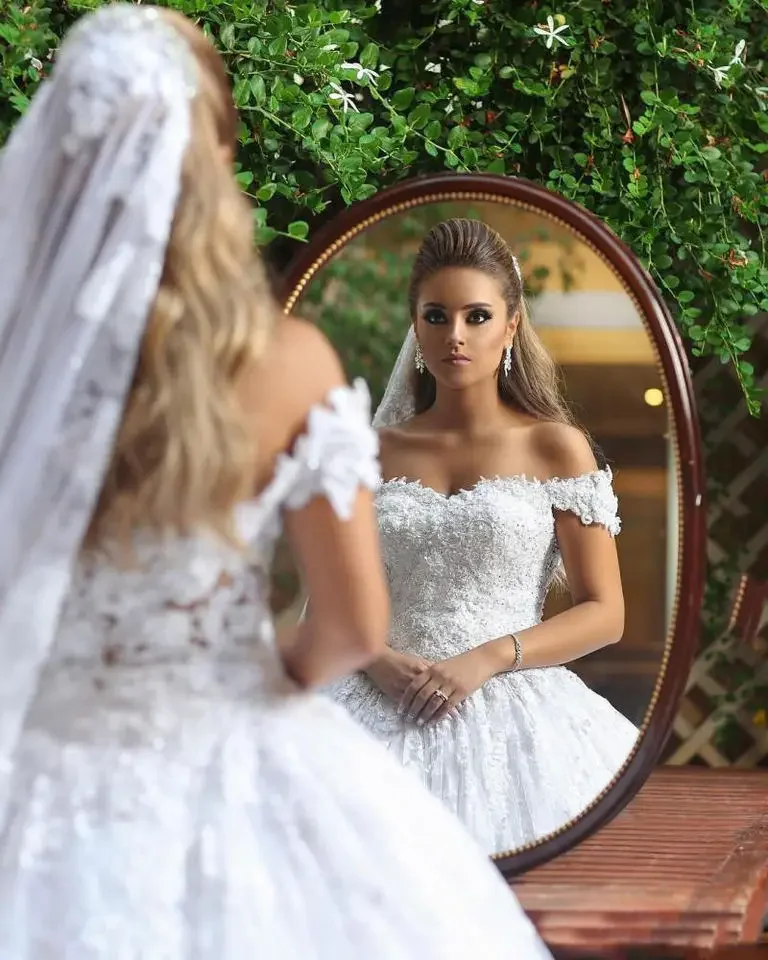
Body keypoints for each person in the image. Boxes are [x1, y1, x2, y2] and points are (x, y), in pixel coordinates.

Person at [0, 9, 553, 958]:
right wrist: (227, 684)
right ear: (214, 156)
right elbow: (349, 630)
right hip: (218, 754)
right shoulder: (284, 362)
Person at [328, 218, 639, 853]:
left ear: (512, 325)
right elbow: (328, 603)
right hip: (373, 702)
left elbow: (606, 614)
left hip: (515, 712)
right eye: (436, 316)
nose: (456, 336)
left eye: (477, 316)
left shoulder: (556, 445)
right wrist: (375, 658)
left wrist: (487, 657)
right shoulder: (371, 450)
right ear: (415, 326)